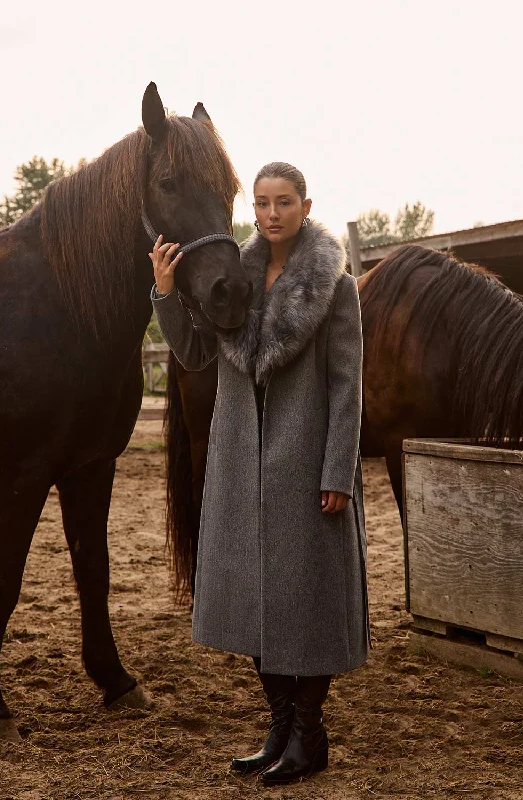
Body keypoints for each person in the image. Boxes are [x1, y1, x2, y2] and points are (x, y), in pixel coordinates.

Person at [150, 162, 368, 786]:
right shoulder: (233, 282)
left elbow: (347, 388)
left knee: (309, 602)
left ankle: (309, 732)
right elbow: (193, 354)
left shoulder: (337, 288)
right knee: (252, 601)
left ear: (305, 205)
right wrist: (166, 291)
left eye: (284, 202)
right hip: (240, 466)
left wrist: (337, 472)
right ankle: (278, 725)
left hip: (307, 469)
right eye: (263, 203)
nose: (272, 214)